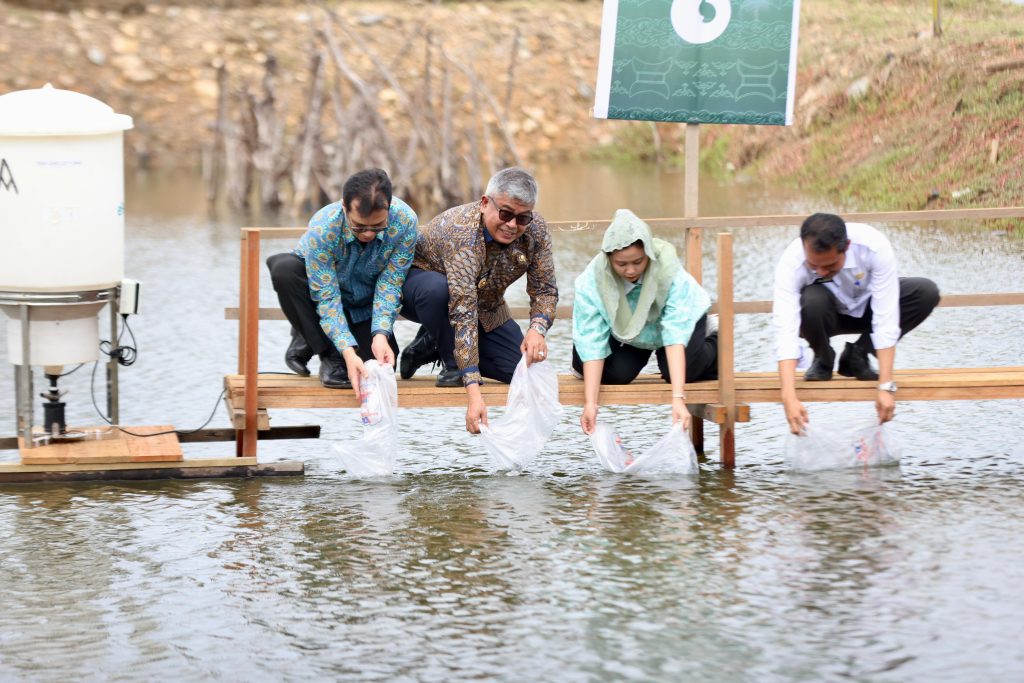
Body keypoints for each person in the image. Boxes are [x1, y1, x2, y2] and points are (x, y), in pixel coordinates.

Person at [398, 167, 558, 433]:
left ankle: (432, 343)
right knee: (441, 292)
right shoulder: (461, 231)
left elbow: (545, 289)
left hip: (486, 306)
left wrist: (536, 329)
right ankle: (450, 359)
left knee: (519, 372)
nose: (512, 225)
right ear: (485, 203)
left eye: (522, 218)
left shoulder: (536, 230)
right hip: (429, 292)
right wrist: (473, 393)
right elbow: (462, 312)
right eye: (505, 214)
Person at [774, 212, 940, 434]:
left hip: (868, 308)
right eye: (814, 266)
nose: (821, 271)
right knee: (811, 301)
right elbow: (785, 327)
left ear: (847, 246)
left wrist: (886, 386)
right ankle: (823, 358)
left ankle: (858, 354)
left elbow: (886, 316)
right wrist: (788, 396)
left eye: (830, 266)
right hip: (825, 312)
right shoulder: (792, 261)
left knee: (925, 292)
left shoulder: (874, 247)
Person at [266, 168, 417, 397]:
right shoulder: (323, 227)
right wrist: (346, 352)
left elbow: (391, 282)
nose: (368, 234)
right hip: (322, 293)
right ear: (344, 207)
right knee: (284, 270)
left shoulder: (405, 222)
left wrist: (380, 334)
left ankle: (307, 337)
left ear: (389, 206)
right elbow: (326, 297)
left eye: (377, 227)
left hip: (364, 302)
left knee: (378, 368)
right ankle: (327, 353)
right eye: (359, 226)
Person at [572, 209, 718, 435]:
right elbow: (591, 337)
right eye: (621, 264)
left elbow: (674, 332)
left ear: (648, 254)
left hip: (677, 323)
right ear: (609, 259)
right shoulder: (593, 280)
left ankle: (715, 337)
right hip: (633, 331)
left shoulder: (669, 272)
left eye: (638, 262)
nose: (630, 270)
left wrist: (677, 398)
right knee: (616, 375)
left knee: (680, 372)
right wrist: (590, 403)